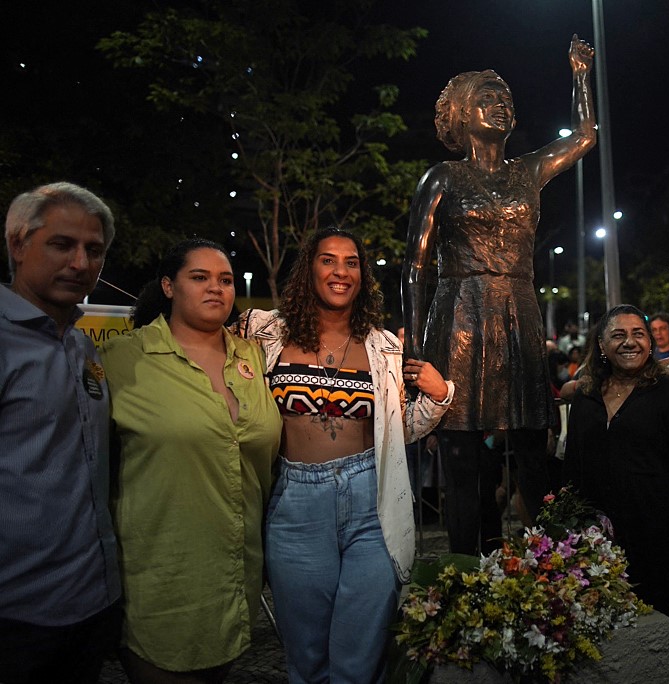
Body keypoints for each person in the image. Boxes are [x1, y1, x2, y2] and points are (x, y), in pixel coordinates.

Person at [403, 35, 597, 554]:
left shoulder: (527, 171)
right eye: (488, 96)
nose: (501, 103)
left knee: (534, 445)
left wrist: (580, 74)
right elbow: (415, 267)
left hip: (518, 312)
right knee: (464, 454)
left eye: (506, 97)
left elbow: (583, 135)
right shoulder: (443, 176)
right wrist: (414, 349)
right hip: (460, 311)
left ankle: (557, 573)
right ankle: (470, 571)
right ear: (463, 115)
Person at [235, 226, 453, 683]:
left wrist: (438, 397)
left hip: (371, 500)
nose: (341, 271)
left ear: (362, 274)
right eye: (328, 260)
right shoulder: (263, 335)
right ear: (309, 269)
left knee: (360, 657)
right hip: (295, 502)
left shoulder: (385, 350)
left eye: (351, 262)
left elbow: (400, 431)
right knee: (308, 656)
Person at [100, 239, 281, 682]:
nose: (215, 289)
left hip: (236, 576)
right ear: (168, 286)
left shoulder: (253, 359)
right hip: (160, 577)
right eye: (198, 278)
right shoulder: (122, 360)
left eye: (225, 280)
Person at [0, 182, 120, 684]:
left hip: (91, 603)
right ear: (17, 244)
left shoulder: (82, 348)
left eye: (94, 250)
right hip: (18, 616)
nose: (80, 262)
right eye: (61, 244)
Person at [564, 304, 669, 683]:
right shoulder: (585, 398)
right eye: (618, 335)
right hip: (603, 550)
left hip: (665, 544)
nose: (630, 342)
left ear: (650, 343)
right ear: (601, 345)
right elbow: (573, 471)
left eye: (638, 334)